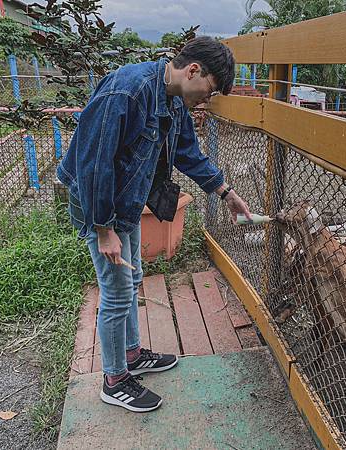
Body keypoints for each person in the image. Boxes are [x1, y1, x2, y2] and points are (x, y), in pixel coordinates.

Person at [57, 36, 252, 413]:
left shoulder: (174, 100)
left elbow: (187, 153)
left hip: (125, 197)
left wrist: (226, 193)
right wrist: (103, 229)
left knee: (131, 279)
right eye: (208, 91)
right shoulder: (127, 91)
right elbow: (93, 162)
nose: (205, 100)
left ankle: (130, 355)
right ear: (193, 70)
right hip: (98, 199)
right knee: (115, 291)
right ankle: (114, 380)